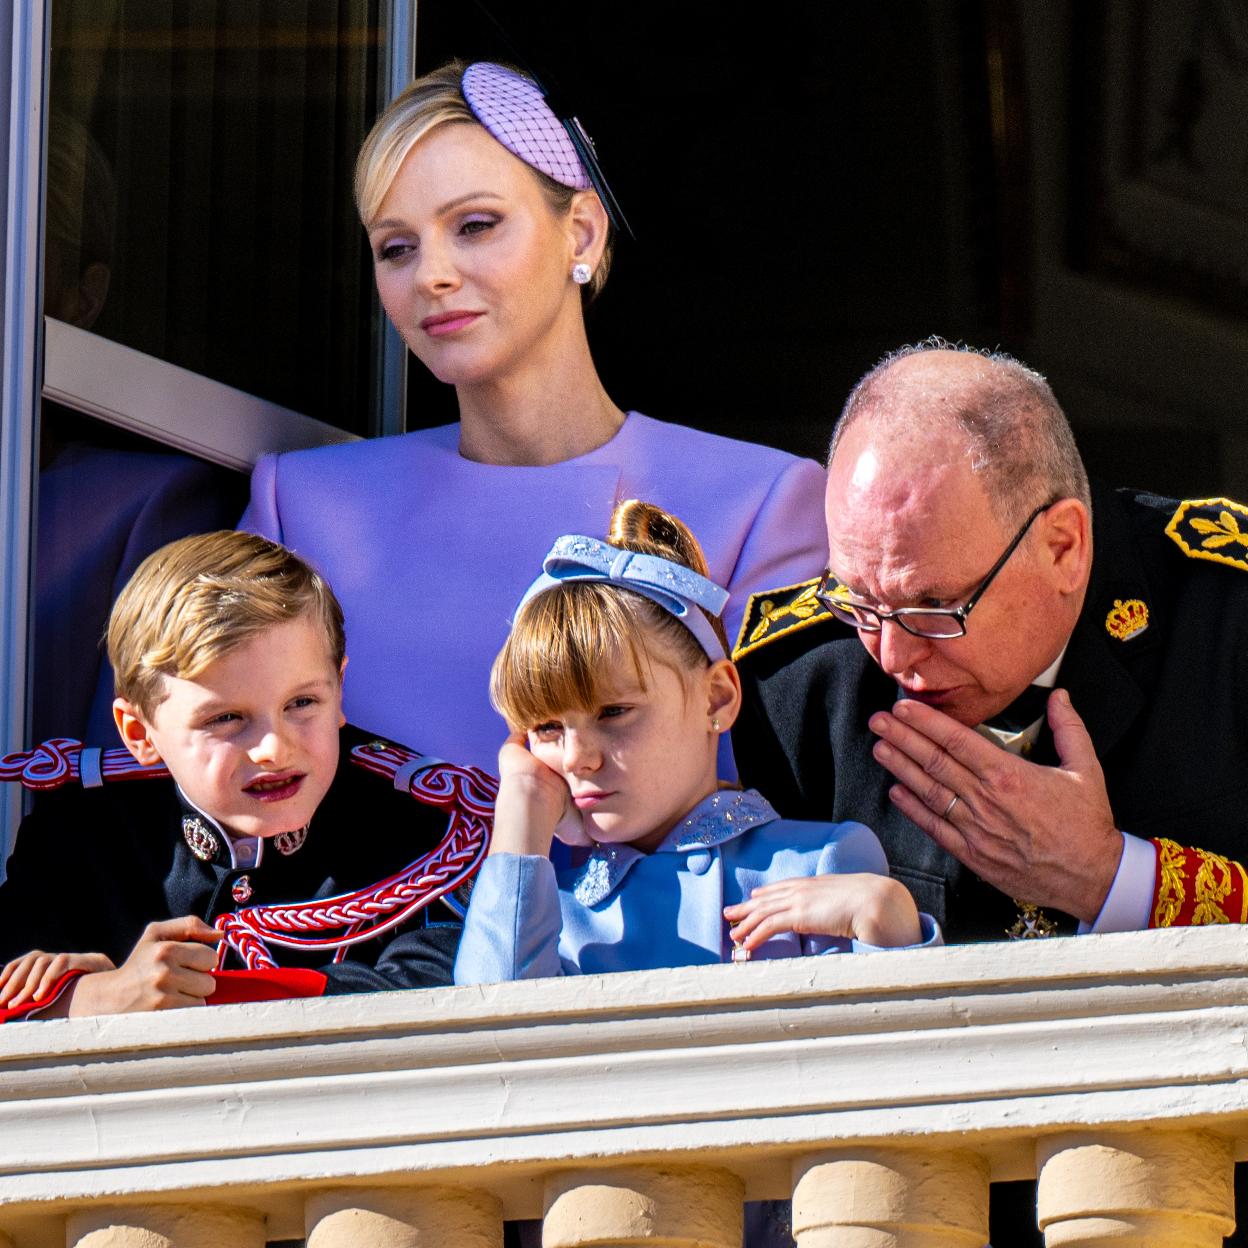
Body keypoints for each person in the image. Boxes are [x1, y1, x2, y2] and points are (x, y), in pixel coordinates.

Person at [242, 60, 827, 773]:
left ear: (580, 235)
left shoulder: (762, 506)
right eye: (396, 248)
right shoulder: (304, 507)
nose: (431, 274)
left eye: (475, 225)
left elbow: (781, 805)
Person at [732, 339, 1248, 946]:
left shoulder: (1226, 618)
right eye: (859, 601)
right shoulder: (794, 681)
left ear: (1064, 547)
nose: (892, 657)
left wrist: (1110, 877)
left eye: (935, 606)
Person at [453, 499, 937, 986]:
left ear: (716, 699)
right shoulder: (544, 915)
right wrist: (523, 805)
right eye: (547, 729)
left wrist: (886, 920)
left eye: (614, 712)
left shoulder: (819, 864)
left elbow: (908, 1053)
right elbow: (486, 1042)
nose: (578, 758)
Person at [0, 530, 472, 1019]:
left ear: (339, 690)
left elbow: (446, 985)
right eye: (226, 719)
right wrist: (96, 998)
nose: (272, 748)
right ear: (140, 733)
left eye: (302, 703)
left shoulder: (421, 822)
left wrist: (206, 994)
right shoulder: (83, 833)